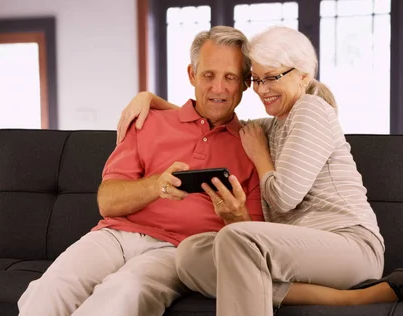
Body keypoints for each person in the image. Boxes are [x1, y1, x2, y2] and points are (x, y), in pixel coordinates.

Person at [116, 26, 403, 316]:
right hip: (299, 253)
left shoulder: (311, 109)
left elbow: (283, 198)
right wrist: (153, 101)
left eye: (273, 78)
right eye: (256, 79)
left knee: (236, 238)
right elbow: (218, 115)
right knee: (191, 256)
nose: (263, 90)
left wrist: (261, 157)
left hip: (349, 247)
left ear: (303, 76)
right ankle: (347, 299)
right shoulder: (273, 125)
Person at [17, 26, 264, 316]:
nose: (218, 88)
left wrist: (235, 216)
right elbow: (107, 201)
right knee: (50, 288)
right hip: (115, 237)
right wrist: (156, 185)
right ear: (192, 75)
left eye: (230, 77)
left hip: (179, 251)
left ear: (246, 83)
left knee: (125, 292)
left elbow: (253, 238)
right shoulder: (149, 121)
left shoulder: (252, 146)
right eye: (209, 75)